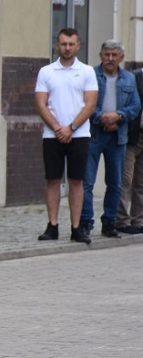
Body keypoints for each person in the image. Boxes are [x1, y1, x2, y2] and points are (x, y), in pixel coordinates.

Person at [34, 28, 98, 244]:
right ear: (57, 45)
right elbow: (40, 104)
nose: (67, 48)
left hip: (79, 134)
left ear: (78, 45)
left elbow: (90, 103)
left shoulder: (87, 71)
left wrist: (70, 127)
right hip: (51, 135)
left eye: (71, 44)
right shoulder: (46, 72)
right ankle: (52, 226)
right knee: (52, 180)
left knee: (76, 181)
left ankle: (76, 228)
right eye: (63, 44)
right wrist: (57, 128)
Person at [81, 41, 140, 238]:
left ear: (121, 58)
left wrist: (119, 116)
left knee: (115, 182)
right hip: (94, 134)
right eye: (107, 54)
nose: (110, 59)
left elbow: (135, 106)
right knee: (87, 182)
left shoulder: (129, 78)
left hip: (118, 136)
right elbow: (84, 102)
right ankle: (86, 222)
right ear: (100, 55)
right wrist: (101, 117)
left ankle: (109, 222)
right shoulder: (91, 75)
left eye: (115, 55)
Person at [116, 66, 143, 234]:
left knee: (140, 183)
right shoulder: (134, 77)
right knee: (125, 180)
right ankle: (122, 221)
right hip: (132, 137)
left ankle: (138, 221)